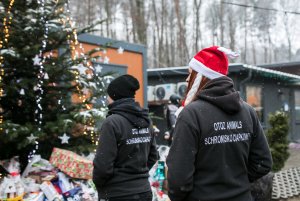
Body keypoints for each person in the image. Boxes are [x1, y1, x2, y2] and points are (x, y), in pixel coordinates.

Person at [166, 46, 272, 201]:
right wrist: (236, 182)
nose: (187, 79)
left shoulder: (191, 114)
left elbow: (178, 178)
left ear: (202, 77)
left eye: (190, 74)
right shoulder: (248, 111)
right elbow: (263, 162)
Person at [93, 74, 158, 201]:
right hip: (143, 192)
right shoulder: (145, 119)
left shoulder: (112, 122)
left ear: (114, 96)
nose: (107, 99)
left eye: (108, 95)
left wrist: (101, 184)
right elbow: (153, 156)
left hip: (117, 194)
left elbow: (103, 165)